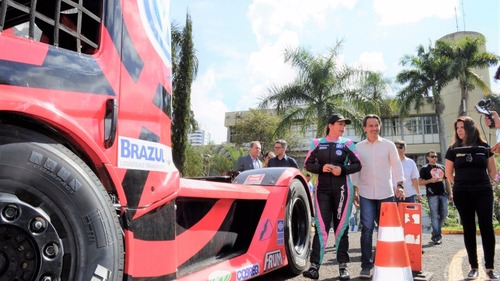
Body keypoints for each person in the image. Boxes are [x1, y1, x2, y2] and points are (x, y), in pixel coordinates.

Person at [303, 114, 362, 280]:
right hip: (322, 190)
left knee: (341, 228)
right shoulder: (316, 143)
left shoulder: (348, 144)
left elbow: (358, 164)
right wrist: (322, 168)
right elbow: (308, 164)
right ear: (330, 125)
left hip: (343, 189)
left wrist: (341, 170)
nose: (343, 127)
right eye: (340, 124)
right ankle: (314, 267)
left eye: (344, 125)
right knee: (321, 228)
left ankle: (343, 267)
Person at [444, 116, 499, 280]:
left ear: (471, 128)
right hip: (462, 193)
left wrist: (481, 183)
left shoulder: (484, 147)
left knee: (487, 228)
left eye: (462, 127)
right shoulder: (453, 149)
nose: (459, 130)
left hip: (483, 191)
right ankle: (473, 267)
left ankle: (490, 268)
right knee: (468, 229)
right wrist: (460, 184)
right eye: (457, 128)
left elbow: (493, 172)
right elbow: (448, 173)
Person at [351, 114, 405, 279]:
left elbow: (396, 166)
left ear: (379, 126)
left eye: (376, 125)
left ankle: (387, 263)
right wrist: (355, 190)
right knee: (367, 229)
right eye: (371, 126)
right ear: (364, 128)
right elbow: (356, 170)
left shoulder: (388, 145)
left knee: (385, 230)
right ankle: (366, 266)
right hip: (366, 193)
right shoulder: (358, 147)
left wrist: (400, 186)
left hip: (386, 193)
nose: (374, 128)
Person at [419, 150, 452, 245]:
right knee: (434, 215)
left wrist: (450, 193)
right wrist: (430, 181)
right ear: (428, 158)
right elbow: (419, 182)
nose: (434, 158)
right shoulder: (424, 169)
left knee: (444, 214)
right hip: (432, 194)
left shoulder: (442, 167)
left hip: (443, 194)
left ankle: (435, 232)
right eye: (432, 156)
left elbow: (447, 181)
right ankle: (437, 236)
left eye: (436, 156)